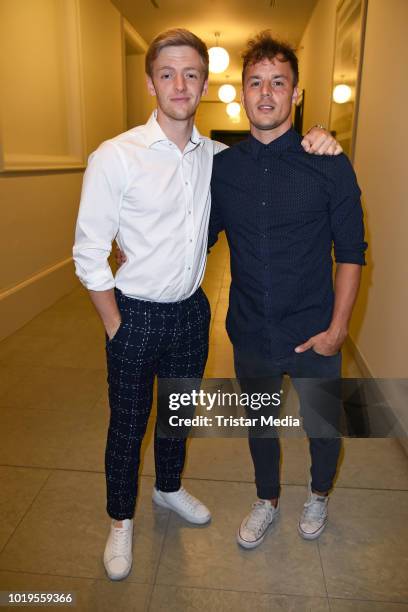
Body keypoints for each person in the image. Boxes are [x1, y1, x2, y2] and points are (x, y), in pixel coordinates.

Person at [73, 28, 341, 581]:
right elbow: (87, 253)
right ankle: (120, 521)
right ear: (151, 82)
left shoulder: (217, 159)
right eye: (167, 73)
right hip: (134, 313)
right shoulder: (115, 156)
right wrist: (115, 324)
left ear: (204, 85)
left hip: (192, 312)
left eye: (191, 74)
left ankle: (168, 488)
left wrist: (321, 134)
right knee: (128, 425)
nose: (179, 83)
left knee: (178, 414)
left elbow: (270, 166)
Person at [209, 31, 367, 549]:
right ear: (244, 90)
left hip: (314, 327)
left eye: (278, 82)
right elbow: (195, 237)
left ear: (296, 94)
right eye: (255, 82)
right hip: (251, 329)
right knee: (260, 425)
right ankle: (267, 498)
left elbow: (350, 251)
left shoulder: (329, 164)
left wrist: (338, 329)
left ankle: (319, 493)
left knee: (324, 428)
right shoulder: (223, 169)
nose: (266, 93)